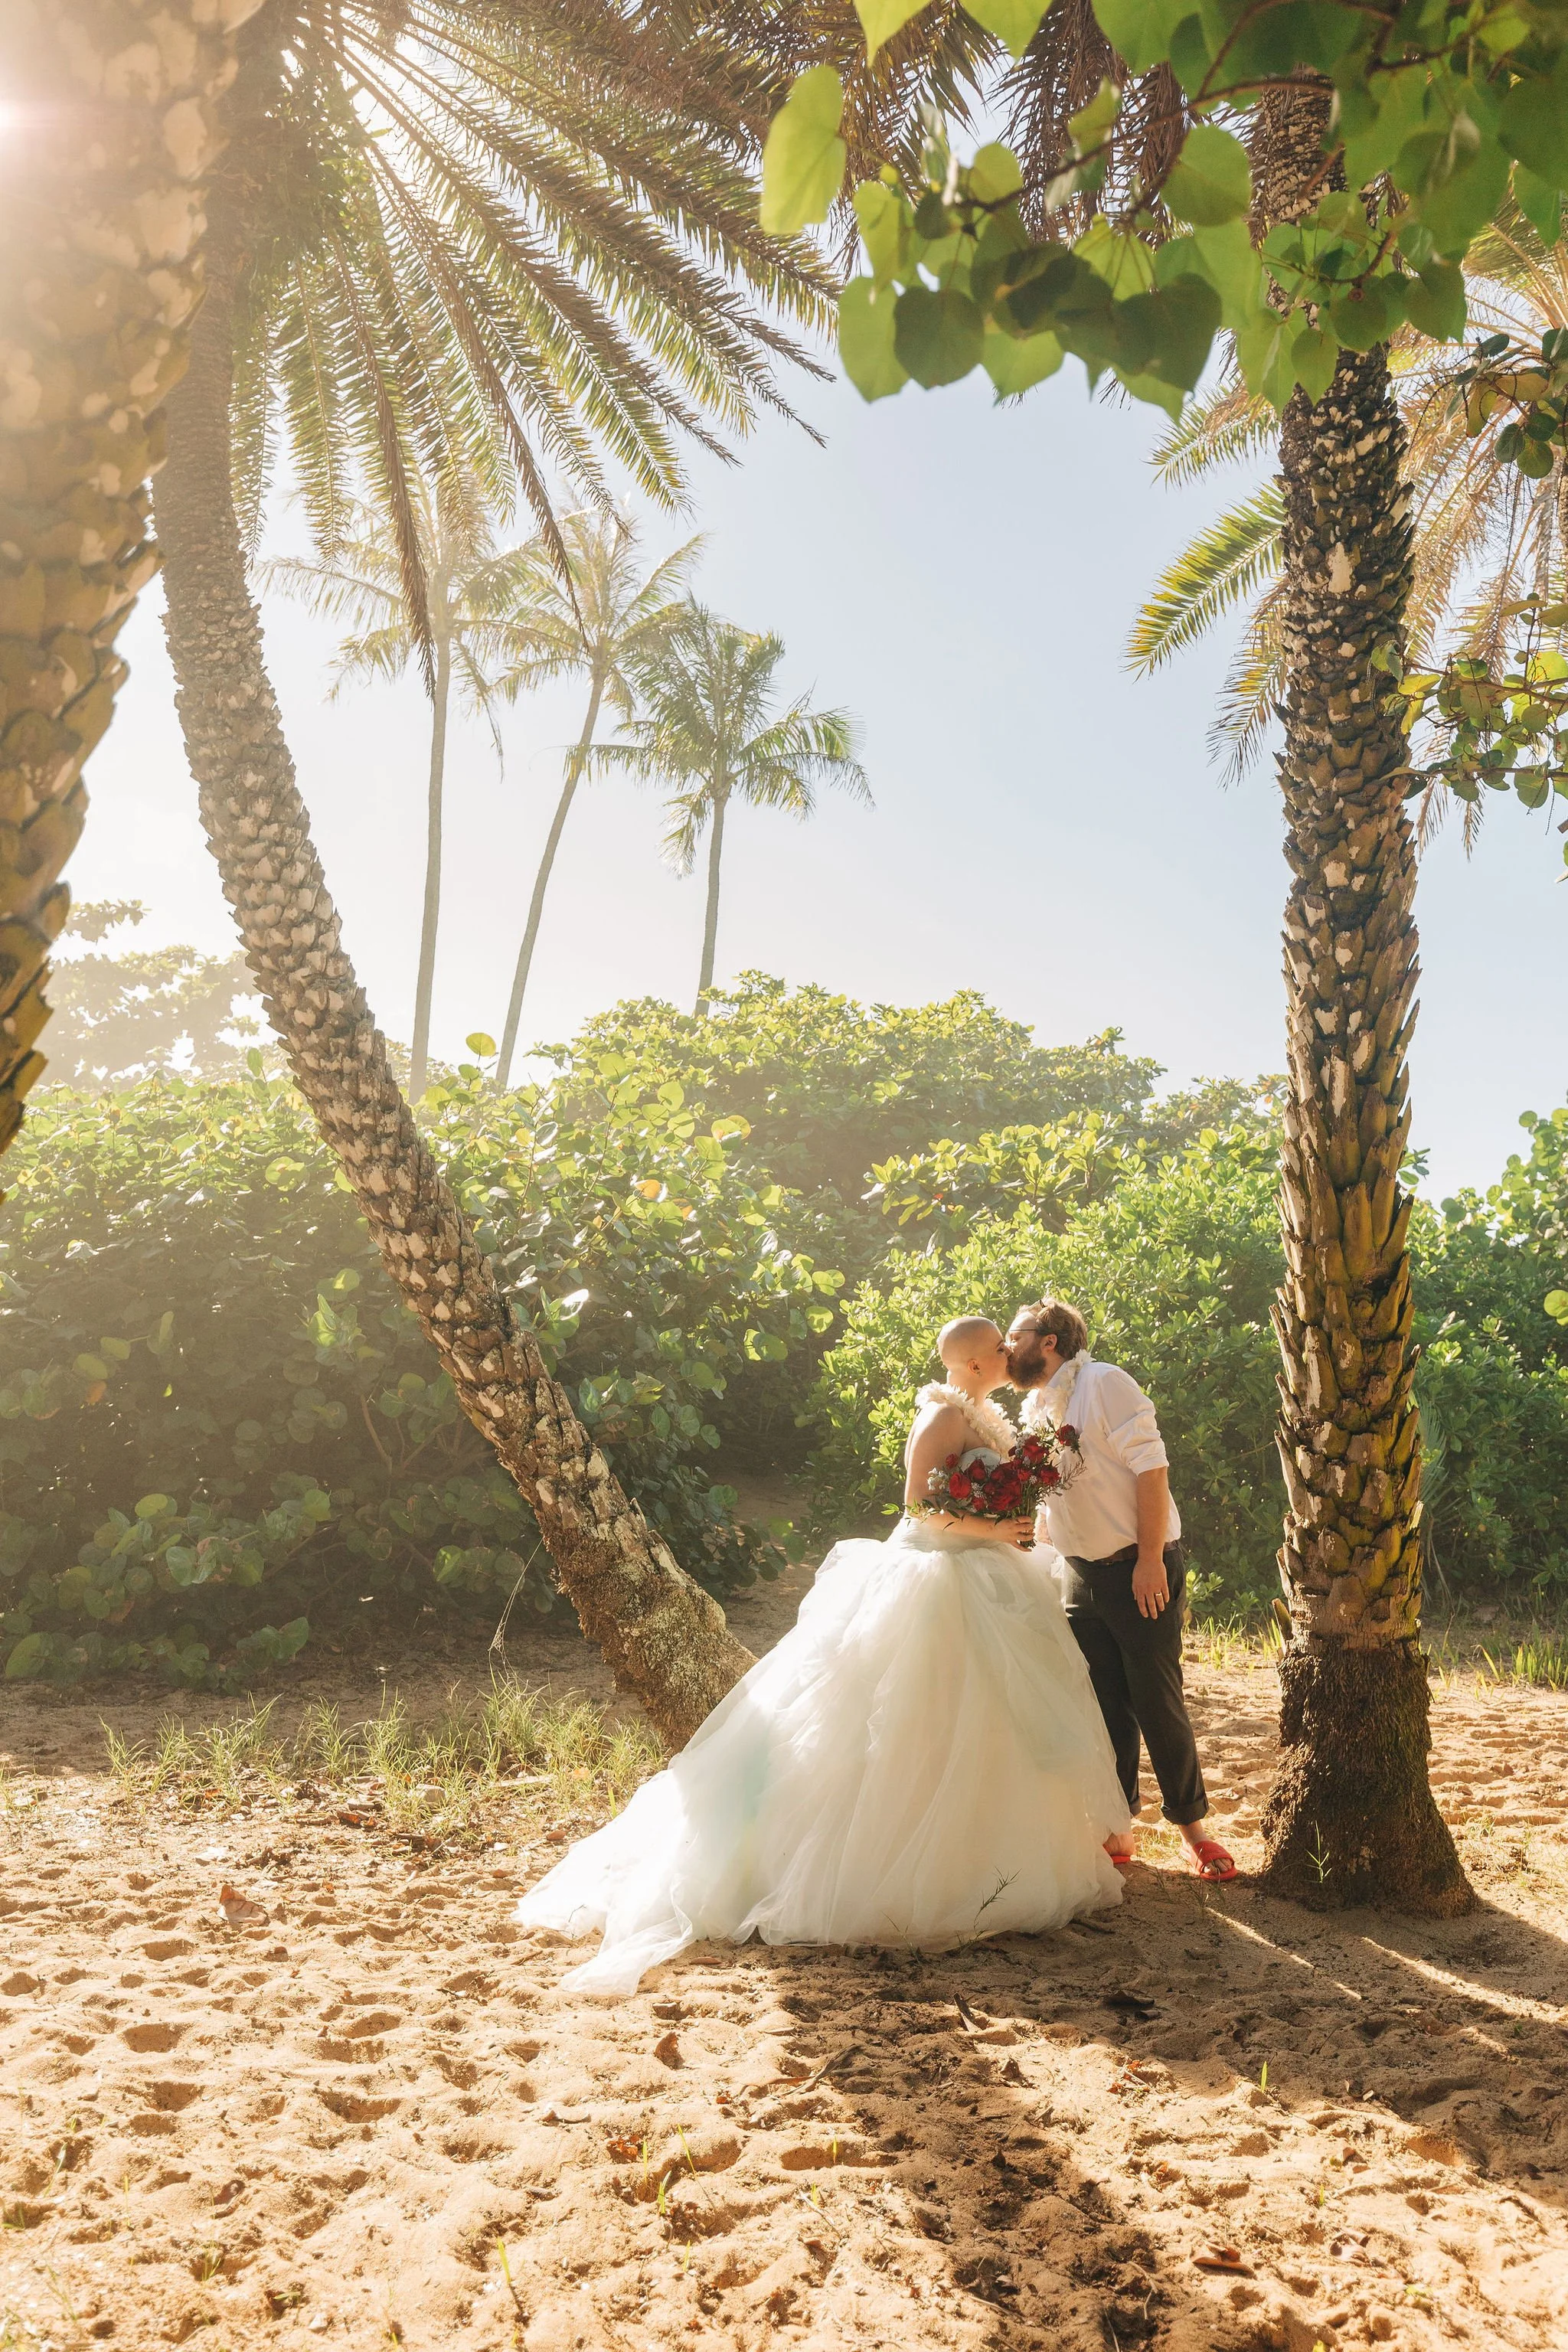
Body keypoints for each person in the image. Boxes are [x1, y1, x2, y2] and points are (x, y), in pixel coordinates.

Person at [514, 1314, 1131, 1992]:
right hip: (934, 1577)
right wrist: (996, 1525)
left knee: (985, 1718)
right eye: (996, 1349)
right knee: (907, 1720)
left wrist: (1008, 1525)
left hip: (984, 1570)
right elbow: (918, 1512)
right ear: (978, 1363)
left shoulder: (981, 1415)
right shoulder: (940, 1421)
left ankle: (984, 1852)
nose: (1007, 1355)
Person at [1004, 1298, 1236, 1883]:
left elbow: (1151, 1470)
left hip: (1140, 1565)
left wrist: (1152, 1560)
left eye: (1014, 1336)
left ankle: (1195, 1832)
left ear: (1049, 1340)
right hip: (1079, 1573)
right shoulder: (1037, 1406)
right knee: (1104, 1703)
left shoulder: (1107, 1384)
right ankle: (1119, 1829)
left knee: (1157, 1699)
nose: (1007, 1349)